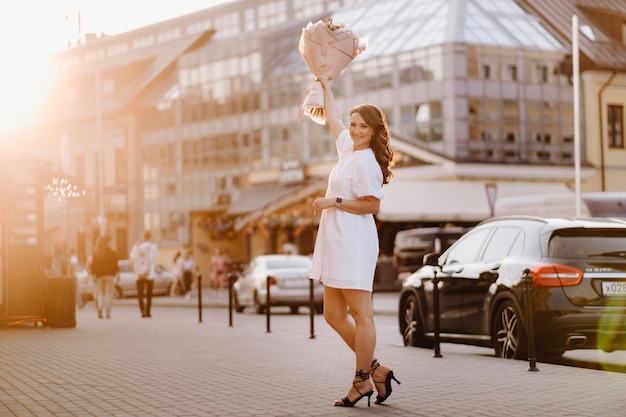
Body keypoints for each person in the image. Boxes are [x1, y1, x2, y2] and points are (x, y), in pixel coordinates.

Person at [309, 76, 399, 408]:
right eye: (354, 124)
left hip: (355, 241)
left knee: (362, 314)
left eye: (362, 126)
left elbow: (373, 205)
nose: (356, 129)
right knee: (333, 314)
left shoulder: (367, 163)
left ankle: (361, 380)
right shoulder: (348, 149)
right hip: (335, 241)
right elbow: (331, 116)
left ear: (375, 130)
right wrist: (325, 83)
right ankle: (376, 370)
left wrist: (335, 202)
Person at [130, 231, 160, 318]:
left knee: (140, 294)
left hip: (139, 274)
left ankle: (142, 311)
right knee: (149, 294)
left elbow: (132, 258)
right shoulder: (152, 246)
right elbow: (157, 256)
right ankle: (148, 311)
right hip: (149, 274)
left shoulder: (137, 246)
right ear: (150, 237)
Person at [89, 236, 119, 319]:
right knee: (109, 294)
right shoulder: (112, 253)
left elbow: (93, 265)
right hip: (110, 275)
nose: (110, 243)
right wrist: (117, 274)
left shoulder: (96, 252)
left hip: (100, 276)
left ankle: (100, 309)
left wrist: (93, 274)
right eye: (109, 242)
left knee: (101, 294)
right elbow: (115, 265)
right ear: (107, 242)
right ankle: (108, 313)